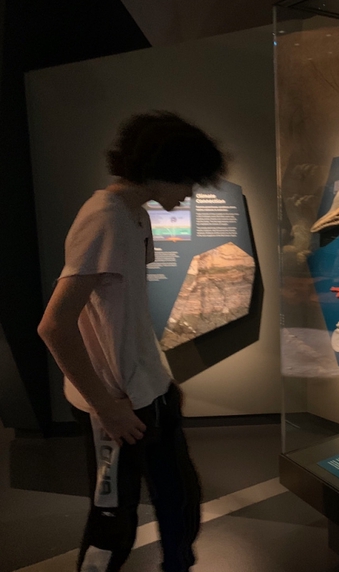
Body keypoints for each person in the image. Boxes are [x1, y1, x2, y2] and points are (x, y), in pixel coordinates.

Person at [38, 111, 227, 572]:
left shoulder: (135, 215)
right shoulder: (104, 218)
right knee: (112, 521)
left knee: (181, 498)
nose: (189, 193)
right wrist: (106, 406)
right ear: (165, 170)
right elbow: (54, 326)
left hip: (150, 390)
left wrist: (157, 380)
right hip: (118, 402)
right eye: (189, 181)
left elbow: (122, 313)